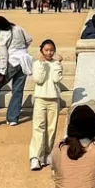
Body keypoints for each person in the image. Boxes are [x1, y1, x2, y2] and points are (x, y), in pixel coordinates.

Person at [0, 16, 33, 126]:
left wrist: (2, 72)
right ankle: (13, 118)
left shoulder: (1, 35)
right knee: (18, 91)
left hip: (12, 61)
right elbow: (29, 39)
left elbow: (3, 55)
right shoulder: (18, 28)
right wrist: (22, 49)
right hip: (24, 60)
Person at [30, 38, 65, 171]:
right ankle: (35, 157)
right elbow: (38, 79)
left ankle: (47, 155)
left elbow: (56, 78)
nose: (49, 53)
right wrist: (42, 64)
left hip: (53, 98)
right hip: (40, 98)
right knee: (39, 128)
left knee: (51, 129)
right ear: (41, 50)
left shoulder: (56, 64)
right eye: (46, 50)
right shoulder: (37, 63)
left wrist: (57, 64)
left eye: (51, 50)